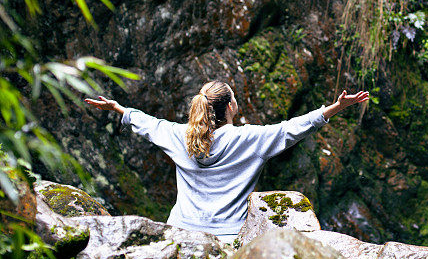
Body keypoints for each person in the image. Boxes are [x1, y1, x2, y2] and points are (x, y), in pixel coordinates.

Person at [85, 81, 369, 243]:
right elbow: (290, 129)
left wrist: (119, 109)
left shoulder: (179, 137)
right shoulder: (248, 140)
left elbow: (148, 124)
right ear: (231, 106)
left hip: (179, 234)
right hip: (227, 239)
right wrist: (334, 108)